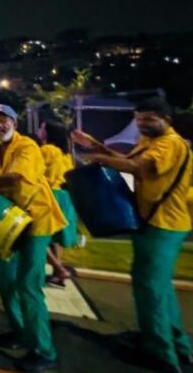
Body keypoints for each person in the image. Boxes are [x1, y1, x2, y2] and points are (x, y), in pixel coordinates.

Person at [72, 97, 192, 373]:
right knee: (160, 289)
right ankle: (179, 345)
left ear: (166, 119)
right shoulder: (151, 142)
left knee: (149, 288)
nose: (142, 123)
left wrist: (97, 158)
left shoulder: (170, 144)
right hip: (156, 223)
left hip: (163, 225)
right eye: (138, 118)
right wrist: (95, 146)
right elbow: (127, 160)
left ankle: (161, 354)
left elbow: (139, 167)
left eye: (149, 119)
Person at [0, 104, 66, 373]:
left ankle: (45, 351)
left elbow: (11, 179)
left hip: (36, 222)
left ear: (14, 123)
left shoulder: (27, 148)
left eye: (3, 120)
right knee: (7, 281)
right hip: (11, 222)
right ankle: (21, 331)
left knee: (28, 285)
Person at [38, 119, 77, 288]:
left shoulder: (46, 150)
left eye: (42, 127)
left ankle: (59, 269)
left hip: (49, 194)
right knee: (55, 238)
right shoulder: (66, 154)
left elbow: (35, 170)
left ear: (48, 132)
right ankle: (58, 275)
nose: (40, 130)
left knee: (37, 235)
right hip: (65, 196)